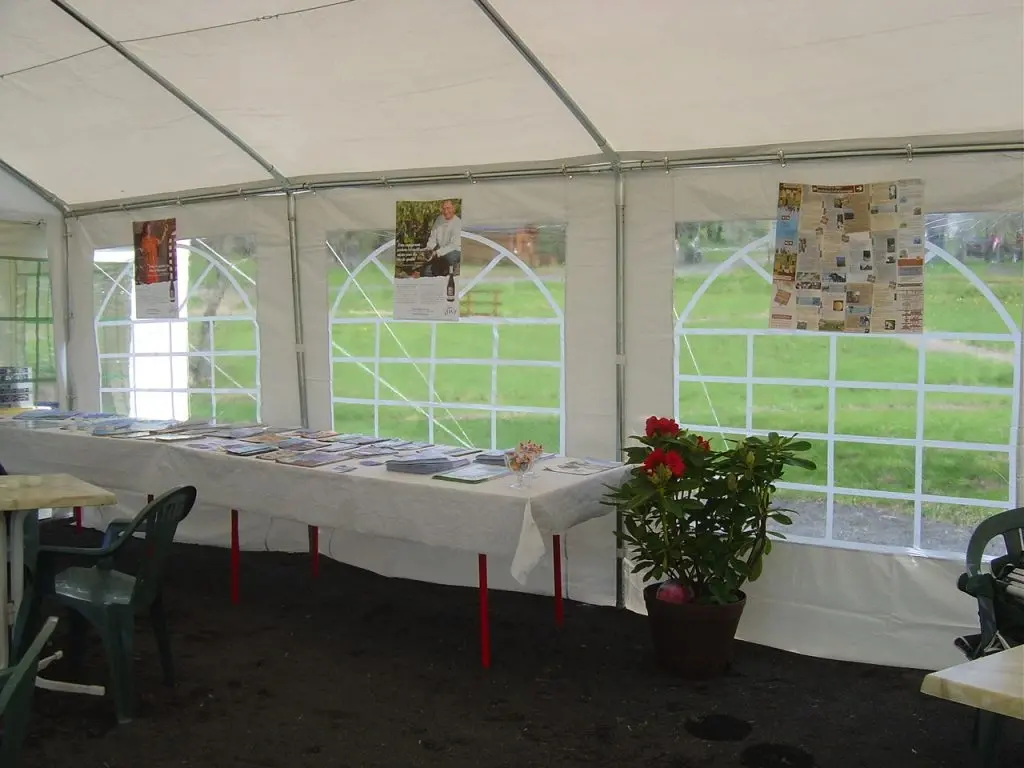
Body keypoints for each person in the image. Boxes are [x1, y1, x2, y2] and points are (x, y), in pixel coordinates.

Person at [422, 200, 462, 277]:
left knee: (449, 258)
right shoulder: (439, 219)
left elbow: (453, 245)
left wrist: (436, 253)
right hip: (441, 253)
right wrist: (428, 249)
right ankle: (442, 271)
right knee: (426, 272)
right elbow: (433, 238)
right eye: (444, 209)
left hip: (454, 251)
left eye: (448, 208)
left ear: (454, 208)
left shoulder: (458, 223)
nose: (446, 211)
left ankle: (454, 270)